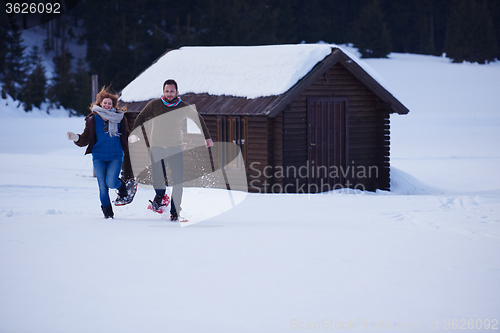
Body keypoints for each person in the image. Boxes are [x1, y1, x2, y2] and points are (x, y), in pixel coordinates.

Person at [130, 79, 213, 222]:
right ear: (163, 92)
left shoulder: (183, 107)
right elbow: (141, 116)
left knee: (178, 182)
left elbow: (197, 118)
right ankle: (161, 196)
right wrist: (134, 133)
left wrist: (207, 137)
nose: (169, 94)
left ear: (177, 92)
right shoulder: (154, 104)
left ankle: (175, 213)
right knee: (158, 181)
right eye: (167, 91)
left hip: (175, 148)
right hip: (157, 147)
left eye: (172, 91)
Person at [66, 87, 136, 219]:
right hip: (99, 157)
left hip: (115, 156)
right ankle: (108, 215)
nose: (107, 105)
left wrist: (132, 139)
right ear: (100, 104)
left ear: (113, 105)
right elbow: (86, 138)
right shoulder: (92, 120)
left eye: (110, 103)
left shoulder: (120, 119)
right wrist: (76, 138)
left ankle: (122, 186)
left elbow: (126, 135)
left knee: (111, 182)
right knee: (103, 188)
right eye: (105, 103)